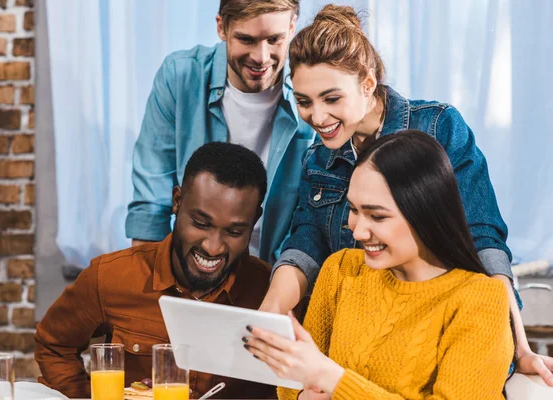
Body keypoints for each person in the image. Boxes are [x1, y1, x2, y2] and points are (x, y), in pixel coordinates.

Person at [259, 4, 553, 383]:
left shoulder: (438, 128)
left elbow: (482, 238)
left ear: (367, 84)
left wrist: (518, 342)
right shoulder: (319, 158)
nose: (317, 117)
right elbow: (306, 242)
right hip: (359, 347)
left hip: (435, 341)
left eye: (331, 99)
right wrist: (269, 311)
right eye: (304, 101)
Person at [246, 130, 515, 399]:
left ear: (426, 213)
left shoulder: (481, 300)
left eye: (377, 216)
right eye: (353, 210)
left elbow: (319, 373)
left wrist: (332, 379)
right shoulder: (340, 269)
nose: (358, 231)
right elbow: (295, 384)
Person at [35, 143, 276, 399]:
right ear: (177, 201)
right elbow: (54, 345)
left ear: (255, 220)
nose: (213, 247)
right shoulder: (111, 276)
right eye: (200, 223)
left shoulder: (273, 295)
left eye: (234, 232)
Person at [125, 0, 315, 264]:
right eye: (246, 39)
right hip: (192, 270)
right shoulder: (180, 77)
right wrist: (150, 288)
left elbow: (312, 220)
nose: (261, 57)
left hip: (275, 274)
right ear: (221, 28)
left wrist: (283, 289)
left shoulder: (313, 91)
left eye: (274, 39)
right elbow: (151, 206)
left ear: (292, 26)